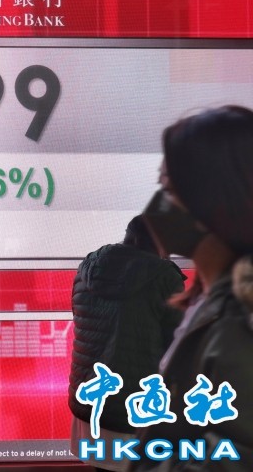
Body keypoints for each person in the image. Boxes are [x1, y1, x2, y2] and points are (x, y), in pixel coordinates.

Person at [129, 105, 253, 470]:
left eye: (168, 188)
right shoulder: (211, 300)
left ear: (212, 199)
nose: (156, 207)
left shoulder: (239, 320)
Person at [69, 215, 186, 471]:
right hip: (136, 411)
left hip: (92, 409)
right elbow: (180, 345)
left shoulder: (87, 271)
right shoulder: (164, 277)